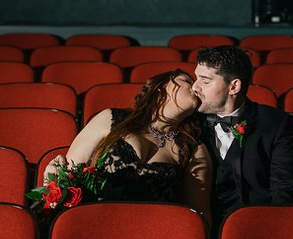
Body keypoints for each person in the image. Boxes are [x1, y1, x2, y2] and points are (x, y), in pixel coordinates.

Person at [45, 71, 212, 225]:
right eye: (187, 81)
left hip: (153, 233)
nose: (196, 86)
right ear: (161, 88)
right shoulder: (111, 119)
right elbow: (70, 176)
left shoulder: (194, 148)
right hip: (94, 222)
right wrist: (53, 178)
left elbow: (198, 216)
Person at [191, 45, 293, 227]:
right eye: (196, 78)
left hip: (256, 226)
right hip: (198, 228)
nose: (195, 87)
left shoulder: (276, 123)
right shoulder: (188, 121)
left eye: (205, 81)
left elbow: (285, 188)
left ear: (234, 86)